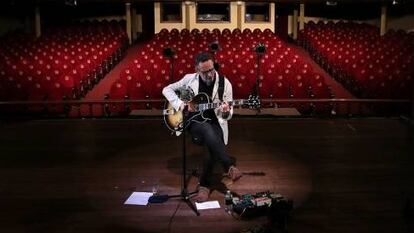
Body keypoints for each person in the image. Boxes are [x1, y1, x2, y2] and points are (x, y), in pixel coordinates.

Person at [162, 52, 242, 202]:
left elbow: (228, 113)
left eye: (211, 69)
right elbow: (166, 89)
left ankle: (204, 186)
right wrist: (181, 104)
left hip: (215, 121)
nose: (210, 74)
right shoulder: (189, 79)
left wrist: (225, 112)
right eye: (205, 72)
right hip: (193, 122)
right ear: (197, 69)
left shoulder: (225, 84)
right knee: (206, 129)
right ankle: (229, 166)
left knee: (210, 144)